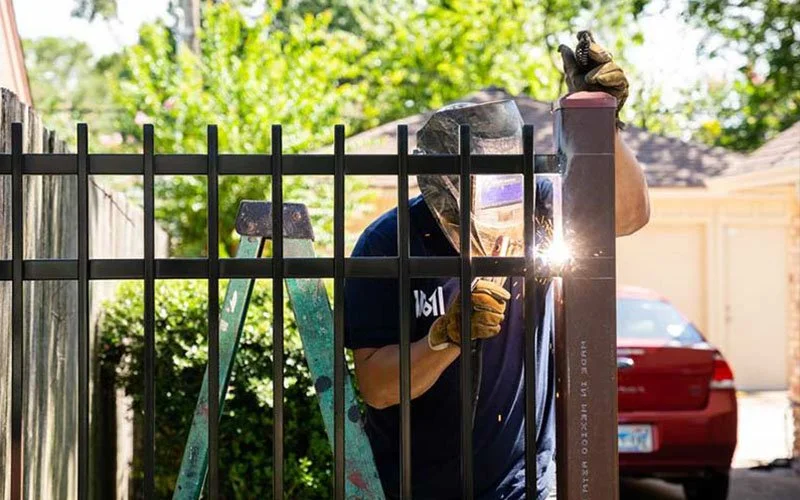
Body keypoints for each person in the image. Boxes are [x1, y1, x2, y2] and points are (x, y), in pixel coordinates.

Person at [344, 32, 650, 499]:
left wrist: (601, 121)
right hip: (418, 486)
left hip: (524, 486)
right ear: (440, 191)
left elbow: (628, 216)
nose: (500, 217)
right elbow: (377, 387)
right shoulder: (387, 242)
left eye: (507, 190)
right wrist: (446, 337)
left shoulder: (536, 208)